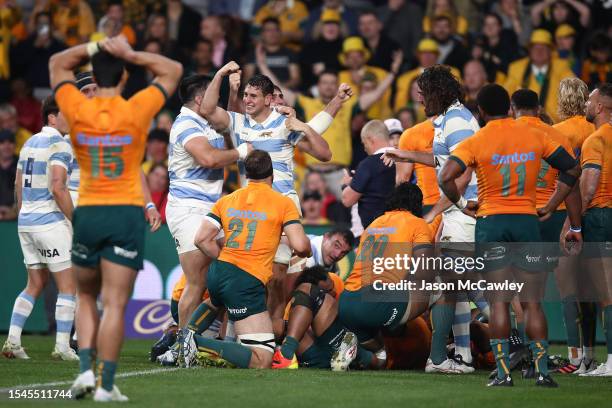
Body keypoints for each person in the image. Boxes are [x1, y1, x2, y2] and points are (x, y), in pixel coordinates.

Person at [50, 36, 182, 401]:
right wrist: (131, 53)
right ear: (123, 77)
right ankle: (106, 385)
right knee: (116, 303)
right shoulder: (136, 107)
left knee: (87, 298)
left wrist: (95, 45)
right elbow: (173, 70)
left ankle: (84, 375)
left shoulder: (76, 107)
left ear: (96, 74)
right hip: (124, 213)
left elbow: (58, 63)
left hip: (88, 212)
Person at [438, 83, 582, 387]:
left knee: (500, 302)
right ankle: (543, 372)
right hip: (528, 222)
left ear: (481, 111)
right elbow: (572, 168)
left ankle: (503, 374)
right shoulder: (535, 134)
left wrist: (463, 205)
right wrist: (553, 204)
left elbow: (444, 176)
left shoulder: (477, 140)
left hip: (492, 222)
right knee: (533, 302)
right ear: (509, 108)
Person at [382, 65, 480, 373]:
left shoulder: (458, 122)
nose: (421, 102)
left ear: (437, 94)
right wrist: (407, 155)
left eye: (424, 96)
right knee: (459, 288)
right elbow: (444, 160)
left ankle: (515, 348)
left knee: (465, 287)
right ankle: (462, 355)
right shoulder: (448, 120)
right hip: (457, 212)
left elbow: (463, 173)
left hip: (465, 213)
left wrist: (435, 212)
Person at [181, 150, 311, 369]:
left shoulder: (228, 199)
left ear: (246, 174)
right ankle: (193, 341)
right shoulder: (283, 203)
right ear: (272, 174)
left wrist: (225, 259)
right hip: (246, 280)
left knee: (217, 300)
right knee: (262, 358)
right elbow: (300, 245)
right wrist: (306, 251)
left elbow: (201, 239)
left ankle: (185, 335)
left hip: (219, 270)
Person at [166, 74, 247, 339]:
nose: (217, 103)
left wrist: (234, 93)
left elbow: (229, 126)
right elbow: (209, 159)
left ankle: (215, 338)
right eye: (214, 97)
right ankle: (182, 344)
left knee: (226, 274)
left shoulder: (206, 121)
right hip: (187, 208)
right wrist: (241, 153)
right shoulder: (186, 124)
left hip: (211, 209)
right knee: (198, 280)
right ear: (200, 99)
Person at [2, 96, 77, 361]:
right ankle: (62, 346)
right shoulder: (60, 144)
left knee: (34, 283)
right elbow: (58, 187)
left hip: (26, 222)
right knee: (68, 286)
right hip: (49, 222)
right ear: (52, 117)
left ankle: (12, 340)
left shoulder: (30, 142)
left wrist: (23, 213)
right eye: (66, 113)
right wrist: (75, 221)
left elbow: (18, 184)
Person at [338, 182, 434, 370]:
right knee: (446, 287)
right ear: (417, 204)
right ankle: (440, 358)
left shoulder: (373, 225)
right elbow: (425, 270)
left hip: (347, 304)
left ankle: (363, 350)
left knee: (382, 354)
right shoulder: (417, 223)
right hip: (379, 304)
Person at [553, 77, 597, 374]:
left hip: (564, 213)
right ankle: (590, 354)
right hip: (594, 211)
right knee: (590, 290)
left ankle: (573, 357)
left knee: (568, 289)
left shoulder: (555, 133)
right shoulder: (597, 130)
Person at [578, 83, 612, 377]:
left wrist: (573, 222)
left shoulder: (595, 139)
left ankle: (611, 360)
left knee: (605, 292)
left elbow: (588, 187)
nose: (586, 104)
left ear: (600, 106)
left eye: (590, 100)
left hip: (600, 215)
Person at [504, 29, 575, 123]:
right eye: (535, 47)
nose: (539, 51)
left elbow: (574, 92)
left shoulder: (561, 67)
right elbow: (505, 97)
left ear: (550, 51)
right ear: (530, 50)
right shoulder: (516, 68)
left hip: (555, 125)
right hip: (521, 125)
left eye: (544, 48)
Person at [341, 120, 395, 230]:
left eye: (364, 143)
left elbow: (347, 200)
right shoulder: (406, 159)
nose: (364, 149)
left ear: (370, 140)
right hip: (404, 229)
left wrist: (346, 184)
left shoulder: (368, 164)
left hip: (378, 232)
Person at [394, 39, 460, 112]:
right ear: (418, 55)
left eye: (431, 53)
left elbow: (459, 97)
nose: (427, 56)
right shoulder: (404, 79)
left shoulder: (451, 73)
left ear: (437, 55)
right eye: (424, 53)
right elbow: (400, 106)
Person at [338, 36, 393, 120]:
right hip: (350, 123)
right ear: (345, 59)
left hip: (379, 119)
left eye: (358, 56)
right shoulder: (339, 77)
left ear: (364, 57)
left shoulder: (381, 73)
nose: (354, 60)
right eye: (350, 56)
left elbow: (385, 99)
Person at [245, 17, 301, 90]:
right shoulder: (254, 54)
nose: (273, 33)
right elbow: (247, 79)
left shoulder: (289, 53)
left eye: (276, 29)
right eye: (268, 30)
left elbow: (295, 79)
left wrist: (277, 88)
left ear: (280, 32)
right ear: (262, 34)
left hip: (284, 93)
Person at [0, 129, 18, 220]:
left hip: (17, 219)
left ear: (15, 145)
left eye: (10, 142)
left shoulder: (22, 166)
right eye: (2, 142)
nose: (6, 146)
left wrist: (15, 211)